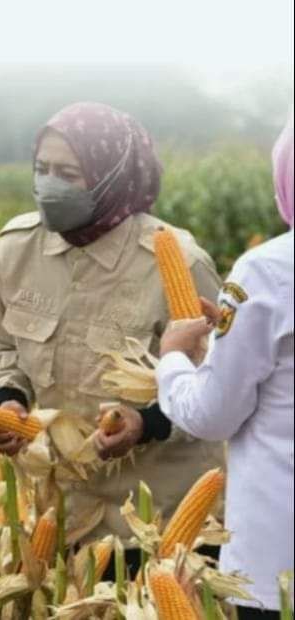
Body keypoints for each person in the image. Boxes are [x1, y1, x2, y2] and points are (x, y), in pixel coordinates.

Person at [0, 102, 225, 576]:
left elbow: (217, 389)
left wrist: (145, 423)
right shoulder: (15, 248)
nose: (49, 185)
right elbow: (8, 348)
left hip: (160, 525)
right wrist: (9, 399)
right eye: (42, 169)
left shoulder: (178, 261)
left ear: (113, 177)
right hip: (65, 516)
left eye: (69, 174)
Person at [155, 116, 294, 619]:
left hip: (278, 567)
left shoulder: (269, 271)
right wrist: (226, 341)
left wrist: (175, 357)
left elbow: (213, 414)